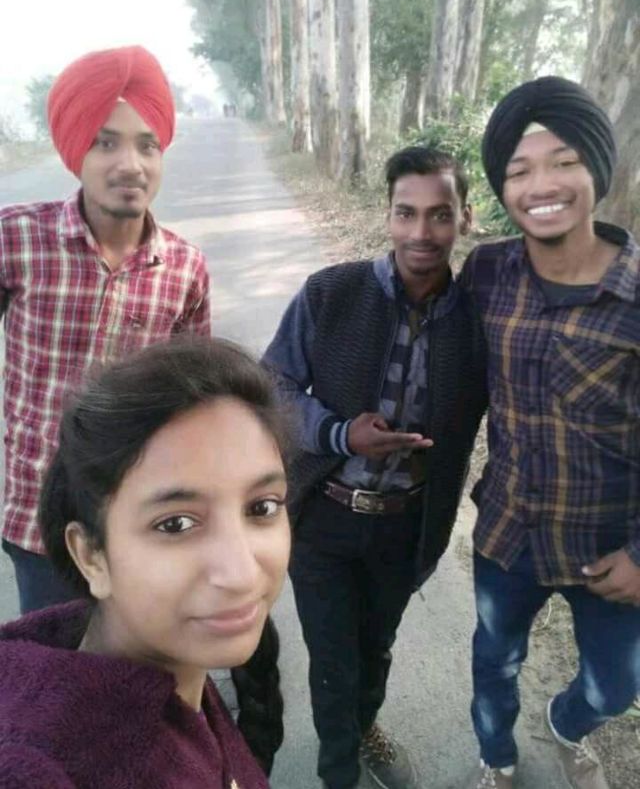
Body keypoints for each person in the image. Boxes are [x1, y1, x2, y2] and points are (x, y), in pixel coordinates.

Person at [263, 146, 487, 789]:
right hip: (324, 516)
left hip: (407, 524)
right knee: (333, 662)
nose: (422, 232)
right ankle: (339, 772)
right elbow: (272, 385)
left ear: (465, 218)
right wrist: (339, 434)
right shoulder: (332, 293)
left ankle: (365, 727)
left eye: (440, 214)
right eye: (406, 213)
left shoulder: (477, 321)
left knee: (376, 647)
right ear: (387, 215)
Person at [0, 338, 290, 787]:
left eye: (262, 507)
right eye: (175, 524)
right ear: (90, 556)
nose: (242, 574)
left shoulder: (177, 671)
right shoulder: (40, 767)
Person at [460, 76, 640, 789]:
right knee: (493, 661)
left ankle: (567, 723)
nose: (542, 185)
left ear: (597, 169)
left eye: (564, 162)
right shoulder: (487, 272)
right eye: (519, 170)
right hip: (508, 532)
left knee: (615, 687)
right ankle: (497, 759)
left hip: (607, 550)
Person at [0, 46, 211, 614]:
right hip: (38, 521)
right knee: (51, 662)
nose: (131, 164)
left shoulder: (185, 268)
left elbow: (195, 401)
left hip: (139, 521)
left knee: (135, 662)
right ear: (76, 152)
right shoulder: (16, 239)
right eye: (106, 142)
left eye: (148, 145)